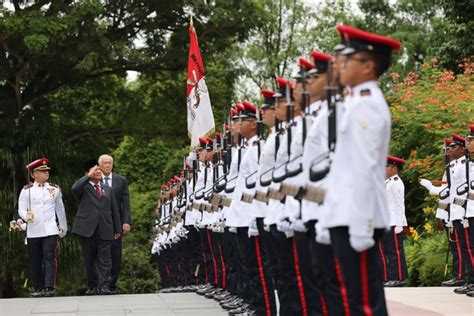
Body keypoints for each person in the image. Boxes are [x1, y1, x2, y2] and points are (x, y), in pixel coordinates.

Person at [319, 24, 401, 315]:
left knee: (365, 304)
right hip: (346, 214)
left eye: (347, 59)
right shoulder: (354, 101)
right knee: (353, 300)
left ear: (367, 65)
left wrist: (363, 226)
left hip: (358, 217)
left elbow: (365, 170)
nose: (339, 64)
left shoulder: (367, 105)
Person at [17, 158, 67, 297]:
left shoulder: (54, 189)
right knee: (36, 259)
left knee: (49, 256)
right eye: (42, 171)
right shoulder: (26, 191)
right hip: (33, 230)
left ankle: (49, 287)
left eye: (47, 171)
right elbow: (21, 209)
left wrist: (63, 227)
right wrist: (26, 217)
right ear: (33, 174)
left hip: (50, 228)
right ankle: (39, 288)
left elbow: (60, 209)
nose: (46, 174)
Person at [71, 159, 122, 295]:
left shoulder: (108, 189)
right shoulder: (83, 188)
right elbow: (74, 188)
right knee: (89, 259)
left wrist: (118, 229)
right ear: (87, 173)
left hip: (105, 228)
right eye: (95, 170)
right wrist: (88, 176)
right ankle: (92, 286)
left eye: (99, 170)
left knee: (105, 259)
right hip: (87, 229)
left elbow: (114, 210)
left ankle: (104, 286)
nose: (98, 172)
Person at [98, 154, 132, 294]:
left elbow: (126, 203)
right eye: (104, 163)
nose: (107, 165)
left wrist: (126, 221)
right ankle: (101, 284)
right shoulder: (94, 180)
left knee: (115, 254)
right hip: (99, 223)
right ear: (100, 165)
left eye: (109, 163)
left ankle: (112, 285)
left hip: (116, 223)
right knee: (100, 254)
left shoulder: (120, 180)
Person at [382, 155, 408, 287]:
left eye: (385, 166)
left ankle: (399, 278)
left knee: (395, 251)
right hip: (387, 221)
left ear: (393, 168)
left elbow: (399, 204)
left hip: (394, 221)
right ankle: (392, 277)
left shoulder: (396, 183)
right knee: (389, 251)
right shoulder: (388, 182)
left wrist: (400, 223)